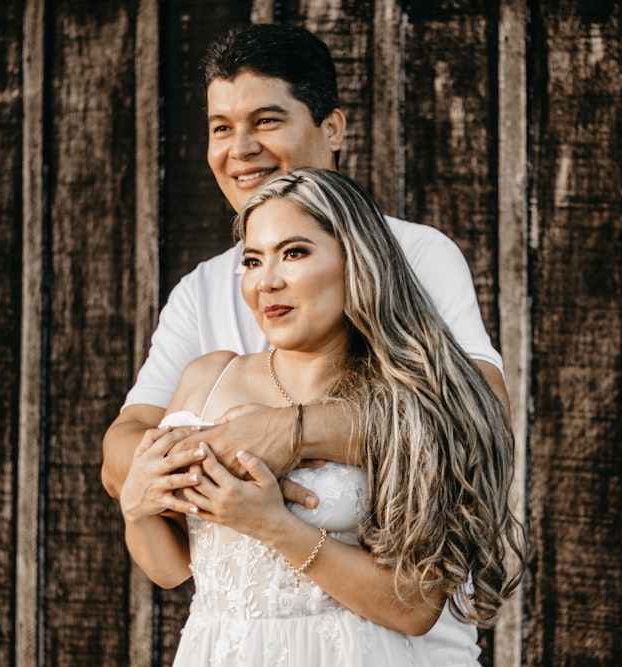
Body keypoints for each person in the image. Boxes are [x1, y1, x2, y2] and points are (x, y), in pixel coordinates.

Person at [101, 23, 511, 662]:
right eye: (220, 127)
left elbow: (476, 416)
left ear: (333, 128)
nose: (240, 149)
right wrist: (166, 472)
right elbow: (125, 452)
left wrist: (288, 431)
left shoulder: (416, 256)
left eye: (266, 121)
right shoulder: (204, 291)